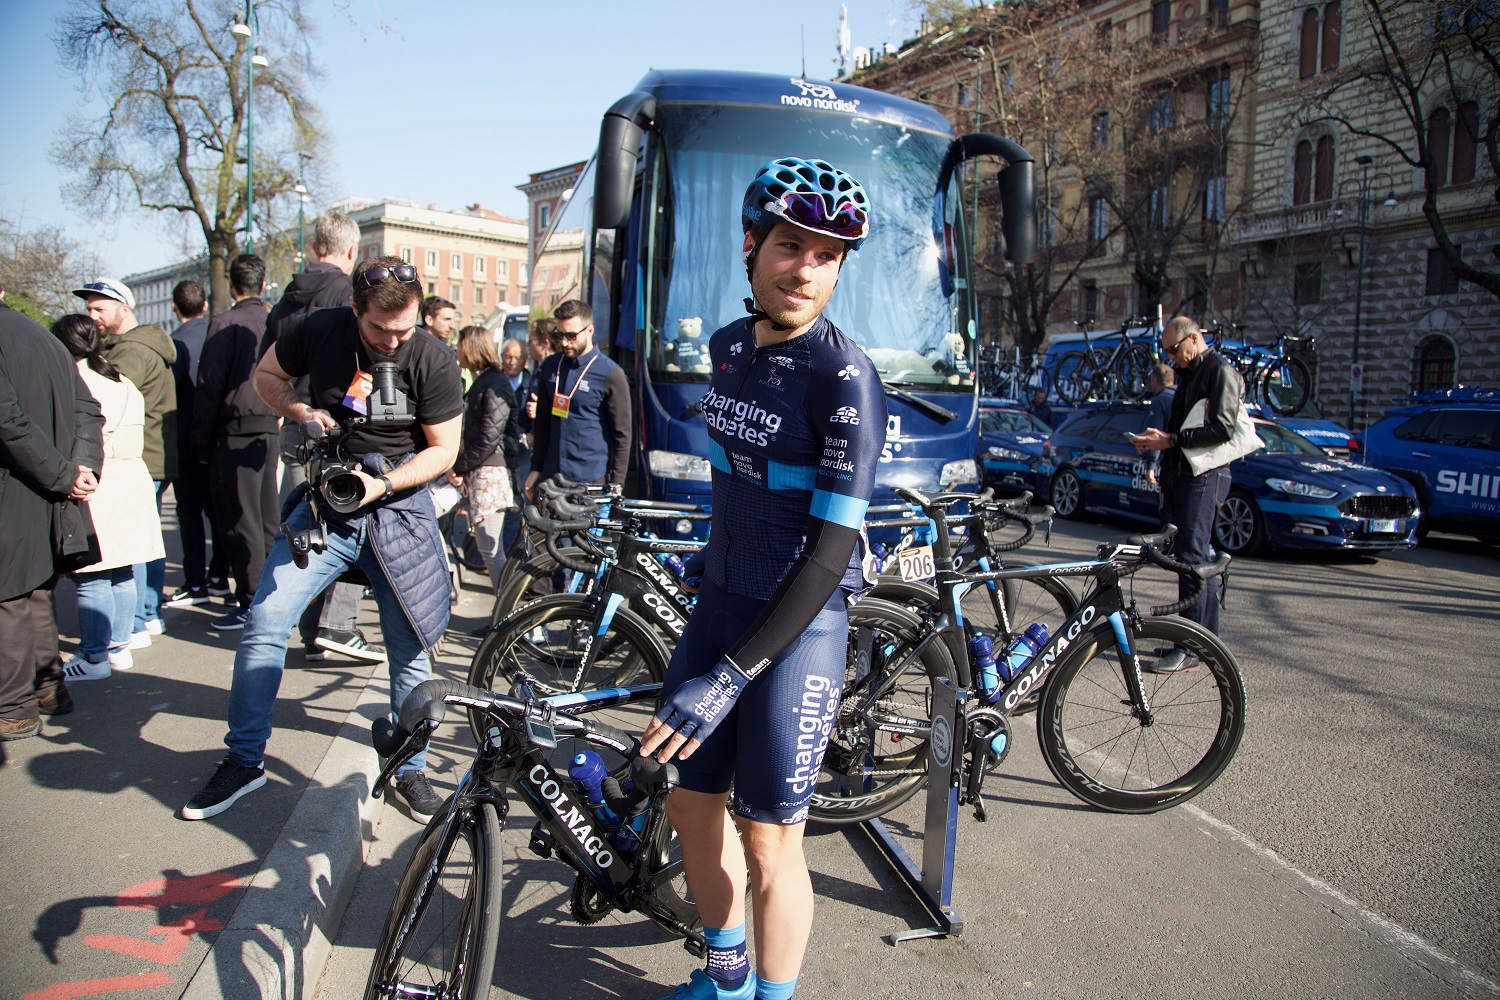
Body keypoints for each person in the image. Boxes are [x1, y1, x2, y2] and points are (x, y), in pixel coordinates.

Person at [639, 157, 885, 1000]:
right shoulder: (728, 346)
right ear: (751, 244)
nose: (805, 270)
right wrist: (710, 550)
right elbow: (734, 475)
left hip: (799, 626)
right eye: (790, 245)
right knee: (689, 804)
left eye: (827, 256)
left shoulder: (844, 378)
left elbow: (827, 554)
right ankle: (728, 973)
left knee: (769, 838)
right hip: (722, 600)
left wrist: (732, 676)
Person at [181, 255, 463, 823]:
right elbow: (265, 379)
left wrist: (380, 482)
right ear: (354, 309)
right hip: (325, 506)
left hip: (399, 508)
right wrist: (301, 409)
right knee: (265, 621)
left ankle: (409, 771)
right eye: (379, 330)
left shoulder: (432, 355)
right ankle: (243, 761)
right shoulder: (317, 328)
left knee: (408, 647)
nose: (392, 341)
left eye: (404, 329)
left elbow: (444, 450)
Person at [263, 212, 382, 664]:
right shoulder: (349, 296)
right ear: (351, 251)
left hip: (296, 423)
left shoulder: (286, 300)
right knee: (346, 521)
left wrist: (292, 408)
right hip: (339, 427)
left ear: (316, 248)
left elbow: (269, 367)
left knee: (303, 525)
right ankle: (334, 624)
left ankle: (299, 620)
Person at [0, 284, 104, 738]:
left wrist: (68, 473)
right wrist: (78, 469)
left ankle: (14, 705)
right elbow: (88, 410)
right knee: (36, 590)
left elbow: (8, 422)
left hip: (22, 483)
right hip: (48, 484)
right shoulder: (43, 336)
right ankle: (46, 687)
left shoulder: (32, 335)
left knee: (9, 598)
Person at [50, 315, 166, 681]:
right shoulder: (122, 380)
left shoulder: (78, 382)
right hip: (132, 476)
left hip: (100, 480)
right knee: (122, 570)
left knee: (92, 575)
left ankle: (94, 654)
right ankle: (118, 645)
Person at [1132, 316, 1243, 672]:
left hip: (1204, 476)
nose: (1171, 357)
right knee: (1190, 558)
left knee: (1194, 559)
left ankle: (1194, 646)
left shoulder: (1219, 370)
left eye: (1174, 349)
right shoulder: (1190, 373)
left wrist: (1171, 441)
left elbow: (1222, 429)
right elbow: (1183, 427)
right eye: (1166, 351)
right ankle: (1196, 639)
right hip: (1183, 473)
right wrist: (1159, 440)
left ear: (1194, 339)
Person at [74, 277, 176, 648]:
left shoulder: (129, 353)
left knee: (125, 552)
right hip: (146, 456)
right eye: (89, 308)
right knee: (140, 546)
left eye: (100, 307)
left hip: (130, 459)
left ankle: (131, 625)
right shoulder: (141, 346)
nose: (93, 315)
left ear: (124, 308)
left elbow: (104, 406)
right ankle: (144, 617)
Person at [191, 254, 280, 631]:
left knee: (240, 519)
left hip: (234, 428)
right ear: (262, 285)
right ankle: (270, 599)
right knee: (266, 519)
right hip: (269, 426)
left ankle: (251, 603)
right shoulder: (273, 322)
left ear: (232, 285)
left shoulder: (224, 323)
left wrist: (199, 444)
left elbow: (209, 387)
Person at [164, 280, 230, 608]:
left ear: (175, 308)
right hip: (216, 439)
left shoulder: (172, 345)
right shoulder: (218, 336)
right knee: (216, 511)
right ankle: (219, 576)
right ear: (204, 305)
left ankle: (195, 582)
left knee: (188, 512)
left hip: (183, 440)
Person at [523, 300, 630, 498]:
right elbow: (543, 423)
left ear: (589, 330)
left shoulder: (611, 374)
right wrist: (536, 468)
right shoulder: (550, 366)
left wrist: (617, 483)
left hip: (590, 481)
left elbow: (622, 434)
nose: (564, 342)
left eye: (571, 336)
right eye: (559, 334)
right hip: (552, 478)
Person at [450, 325, 518, 588]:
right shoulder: (485, 380)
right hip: (482, 470)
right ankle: (505, 617)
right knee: (489, 548)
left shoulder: (493, 381)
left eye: (460, 345)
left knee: (490, 549)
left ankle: (508, 618)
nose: (457, 351)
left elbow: (489, 437)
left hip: (488, 473)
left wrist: (460, 464)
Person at [1143, 362, 1176, 497]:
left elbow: (1154, 436)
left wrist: (1151, 467)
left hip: (1169, 464)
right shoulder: (1183, 396)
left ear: (1155, 380)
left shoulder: (1159, 401)